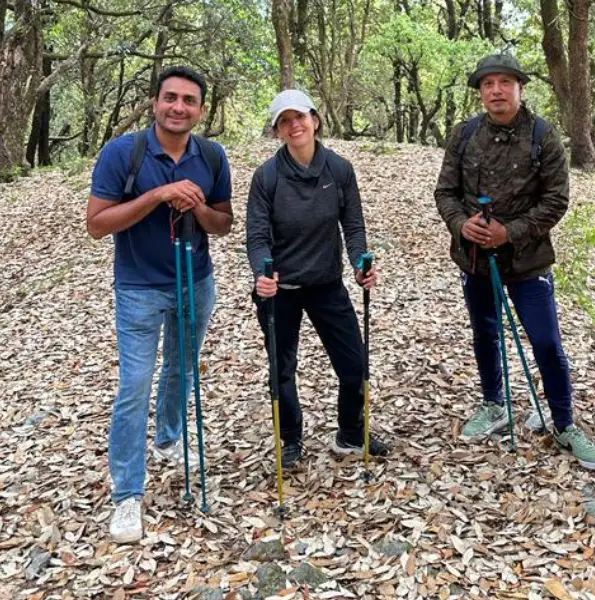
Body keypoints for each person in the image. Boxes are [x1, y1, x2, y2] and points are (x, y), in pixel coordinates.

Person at [434, 53, 595, 471]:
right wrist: (462, 225)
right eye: (488, 84)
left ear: (520, 88)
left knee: (547, 341)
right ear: (480, 92)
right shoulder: (463, 135)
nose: (496, 90)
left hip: (529, 263)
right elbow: (445, 192)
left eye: (504, 83)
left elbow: (556, 200)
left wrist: (509, 231)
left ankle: (565, 423)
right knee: (485, 334)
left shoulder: (543, 136)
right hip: (474, 259)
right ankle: (494, 404)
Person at [86, 66, 233, 543]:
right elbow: (97, 224)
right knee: (134, 384)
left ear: (200, 110)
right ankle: (127, 493)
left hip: (196, 280)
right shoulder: (122, 153)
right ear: (155, 102)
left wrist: (197, 208)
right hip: (139, 287)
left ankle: (169, 439)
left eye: (189, 101)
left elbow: (222, 224)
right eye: (170, 98)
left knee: (182, 367)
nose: (178, 107)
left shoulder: (211, 156)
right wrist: (158, 195)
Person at [246, 89, 389, 468]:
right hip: (280, 289)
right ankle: (290, 439)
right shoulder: (267, 177)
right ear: (277, 131)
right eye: (284, 121)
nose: (294, 125)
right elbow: (257, 236)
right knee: (282, 370)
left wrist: (361, 261)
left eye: (300, 117)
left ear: (315, 120)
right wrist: (262, 271)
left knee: (354, 365)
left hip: (327, 284)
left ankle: (350, 431)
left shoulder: (339, 169)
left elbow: (353, 225)